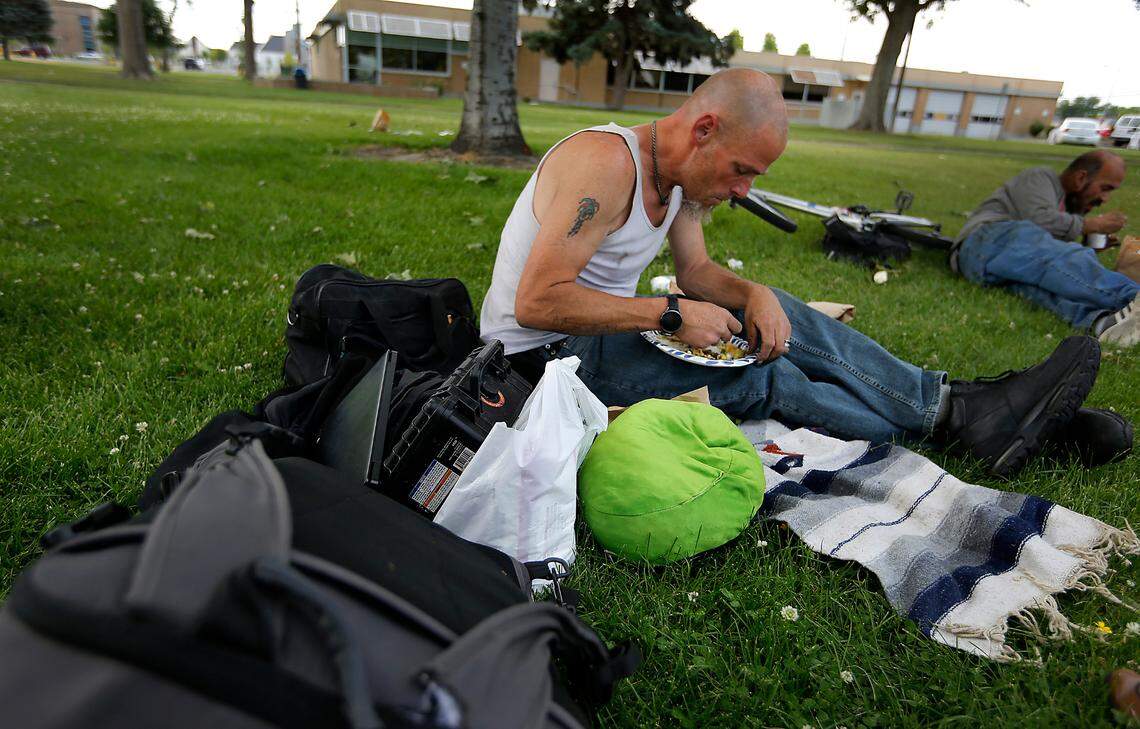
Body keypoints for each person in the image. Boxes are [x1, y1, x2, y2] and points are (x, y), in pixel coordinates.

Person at [480, 69, 1126, 477]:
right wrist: (669, 312)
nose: (742, 190)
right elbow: (538, 300)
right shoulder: (604, 163)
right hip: (536, 369)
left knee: (772, 321)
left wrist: (755, 293)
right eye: (743, 170)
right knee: (770, 379)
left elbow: (698, 269)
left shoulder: (675, 178)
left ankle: (956, 410)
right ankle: (965, 419)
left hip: (592, 345)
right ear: (704, 128)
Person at [951, 150, 1138, 346]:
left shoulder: (1066, 205)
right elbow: (1039, 220)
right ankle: (1131, 296)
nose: (1105, 198)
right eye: (1104, 188)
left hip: (988, 267)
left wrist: (1084, 239)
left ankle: (1104, 323)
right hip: (986, 238)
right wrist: (1091, 225)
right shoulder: (1039, 176)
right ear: (1081, 177)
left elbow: (1044, 253)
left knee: (1044, 290)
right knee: (1070, 257)